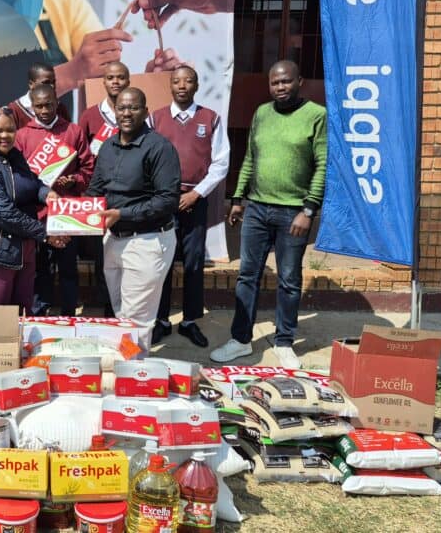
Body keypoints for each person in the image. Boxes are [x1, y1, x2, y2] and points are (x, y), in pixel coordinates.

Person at [209, 60, 327, 369]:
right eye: (275, 83)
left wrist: (309, 209)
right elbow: (250, 157)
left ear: (299, 81)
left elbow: (323, 165)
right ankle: (240, 340)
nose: (280, 87)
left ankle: (285, 340)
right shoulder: (262, 113)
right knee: (248, 276)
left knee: (288, 279)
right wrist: (238, 198)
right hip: (257, 209)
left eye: (286, 81)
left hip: (293, 213)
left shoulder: (316, 116)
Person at [85, 87, 180, 352]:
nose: (126, 113)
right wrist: (71, 217)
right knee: (120, 313)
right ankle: (127, 372)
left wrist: (122, 214)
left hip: (147, 241)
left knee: (135, 321)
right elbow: (95, 191)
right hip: (113, 240)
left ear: (145, 112)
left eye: (134, 107)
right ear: (114, 112)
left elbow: (167, 200)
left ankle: (135, 380)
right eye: (121, 108)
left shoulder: (159, 148)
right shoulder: (108, 147)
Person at [0, 107, 70, 312]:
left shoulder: (15, 156)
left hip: (21, 250)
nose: (4, 136)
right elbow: (4, 214)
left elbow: (32, 183)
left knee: (19, 316)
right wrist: (45, 234)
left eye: (10, 130)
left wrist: (46, 194)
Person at [150, 65, 229, 348]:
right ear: (170, 86)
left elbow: (221, 163)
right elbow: (147, 159)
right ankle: (160, 320)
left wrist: (197, 193)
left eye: (188, 81)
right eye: (177, 81)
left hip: (195, 199)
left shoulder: (210, 118)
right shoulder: (155, 118)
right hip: (163, 201)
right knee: (162, 261)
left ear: (196, 86)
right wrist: (162, 195)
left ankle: (189, 321)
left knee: (194, 262)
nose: (182, 85)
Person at [15, 84, 93, 316]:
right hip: (36, 214)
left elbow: (89, 168)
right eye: (39, 106)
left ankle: (69, 314)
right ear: (32, 106)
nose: (45, 110)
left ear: (57, 102)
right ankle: (39, 314)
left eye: (49, 104)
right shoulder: (22, 136)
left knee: (68, 268)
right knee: (39, 269)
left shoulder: (74, 131)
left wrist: (75, 179)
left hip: (67, 212)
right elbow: (17, 176)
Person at [78, 61, 130, 316]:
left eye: (120, 77)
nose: (116, 82)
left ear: (128, 81)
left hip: (127, 196)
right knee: (103, 257)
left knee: (125, 253)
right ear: (104, 82)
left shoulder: (136, 113)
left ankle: (121, 307)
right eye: (110, 77)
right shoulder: (90, 115)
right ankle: (106, 307)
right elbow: (82, 156)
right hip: (99, 197)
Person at [9, 62, 72, 129]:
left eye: (53, 82)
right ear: (31, 84)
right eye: (46, 82)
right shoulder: (15, 111)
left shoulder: (60, 108)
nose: (52, 86)